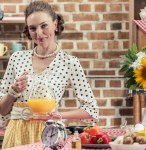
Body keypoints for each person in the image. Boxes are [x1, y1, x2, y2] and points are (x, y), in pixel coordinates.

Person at [0, 1, 99, 148]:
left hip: (50, 133)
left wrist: (57, 115)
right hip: (16, 133)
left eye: (44, 25)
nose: (39, 33)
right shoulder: (17, 58)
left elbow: (91, 110)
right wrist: (13, 91)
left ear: (55, 24)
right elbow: (2, 110)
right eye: (32, 28)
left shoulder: (69, 63)